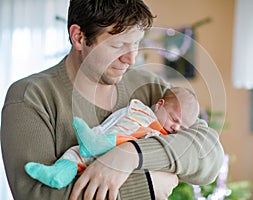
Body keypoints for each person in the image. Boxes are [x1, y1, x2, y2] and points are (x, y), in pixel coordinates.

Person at [1, 0, 224, 200]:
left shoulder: (149, 86)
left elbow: (209, 154)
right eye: (117, 46)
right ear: (79, 37)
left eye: (136, 43)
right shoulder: (30, 97)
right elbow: (37, 195)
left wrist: (129, 155)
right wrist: (147, 185)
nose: (131, 58)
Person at [24, 87, 200, 189]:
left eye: (182, 127)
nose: (175, 128)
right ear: (159, 105)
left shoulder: (164, 137)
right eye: (174, 119)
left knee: (134, 138)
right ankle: (58, 174)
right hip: (99, 143)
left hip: (120, 156)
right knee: (74, 152)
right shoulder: (143, 113)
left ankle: (97, 144)